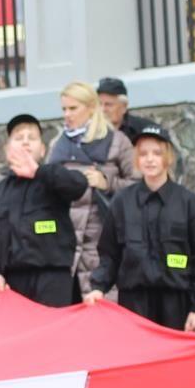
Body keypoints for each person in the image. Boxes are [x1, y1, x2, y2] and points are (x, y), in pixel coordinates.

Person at [88, 124, 195, 388]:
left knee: (178, 384)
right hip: (135, 306)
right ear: (137, 160)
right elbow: (109, 254)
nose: (151, 160)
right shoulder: (122, 204)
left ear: (168, 157)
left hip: (176, 305)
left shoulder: (190, 204)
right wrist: (97, 286)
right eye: (144, 154)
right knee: (140, 383)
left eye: (157, 153)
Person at [0, 114, 89, 307]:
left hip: (53, 279)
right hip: (12, 283)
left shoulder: (53, 180)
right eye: (19, 138)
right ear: (7, 150)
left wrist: (38, 172)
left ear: (43, 149)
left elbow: (78, 185)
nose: (26, 142)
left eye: (32, 138)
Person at [49, 81, 128, 297]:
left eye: (73, 108)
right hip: (65, 248)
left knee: (103, 315)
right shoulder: (57, 144)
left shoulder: (118, 141)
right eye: (64, 109)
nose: (67, 115)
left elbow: (139, 186)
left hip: (102, 244)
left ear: (92, 107)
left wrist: (106, 182)